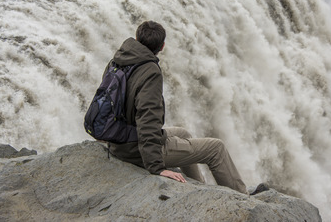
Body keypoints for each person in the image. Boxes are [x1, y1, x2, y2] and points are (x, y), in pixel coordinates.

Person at [107, 21, 267, 195]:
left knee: (182, 133)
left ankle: (198, 187)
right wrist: (156, 167)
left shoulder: (118, 60)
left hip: (118, 142)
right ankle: (243, 198)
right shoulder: (150, 72)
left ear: (137, 39)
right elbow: (148, 120)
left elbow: (105, 100)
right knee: (216, 148)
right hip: (137, 150)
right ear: (162, 46)